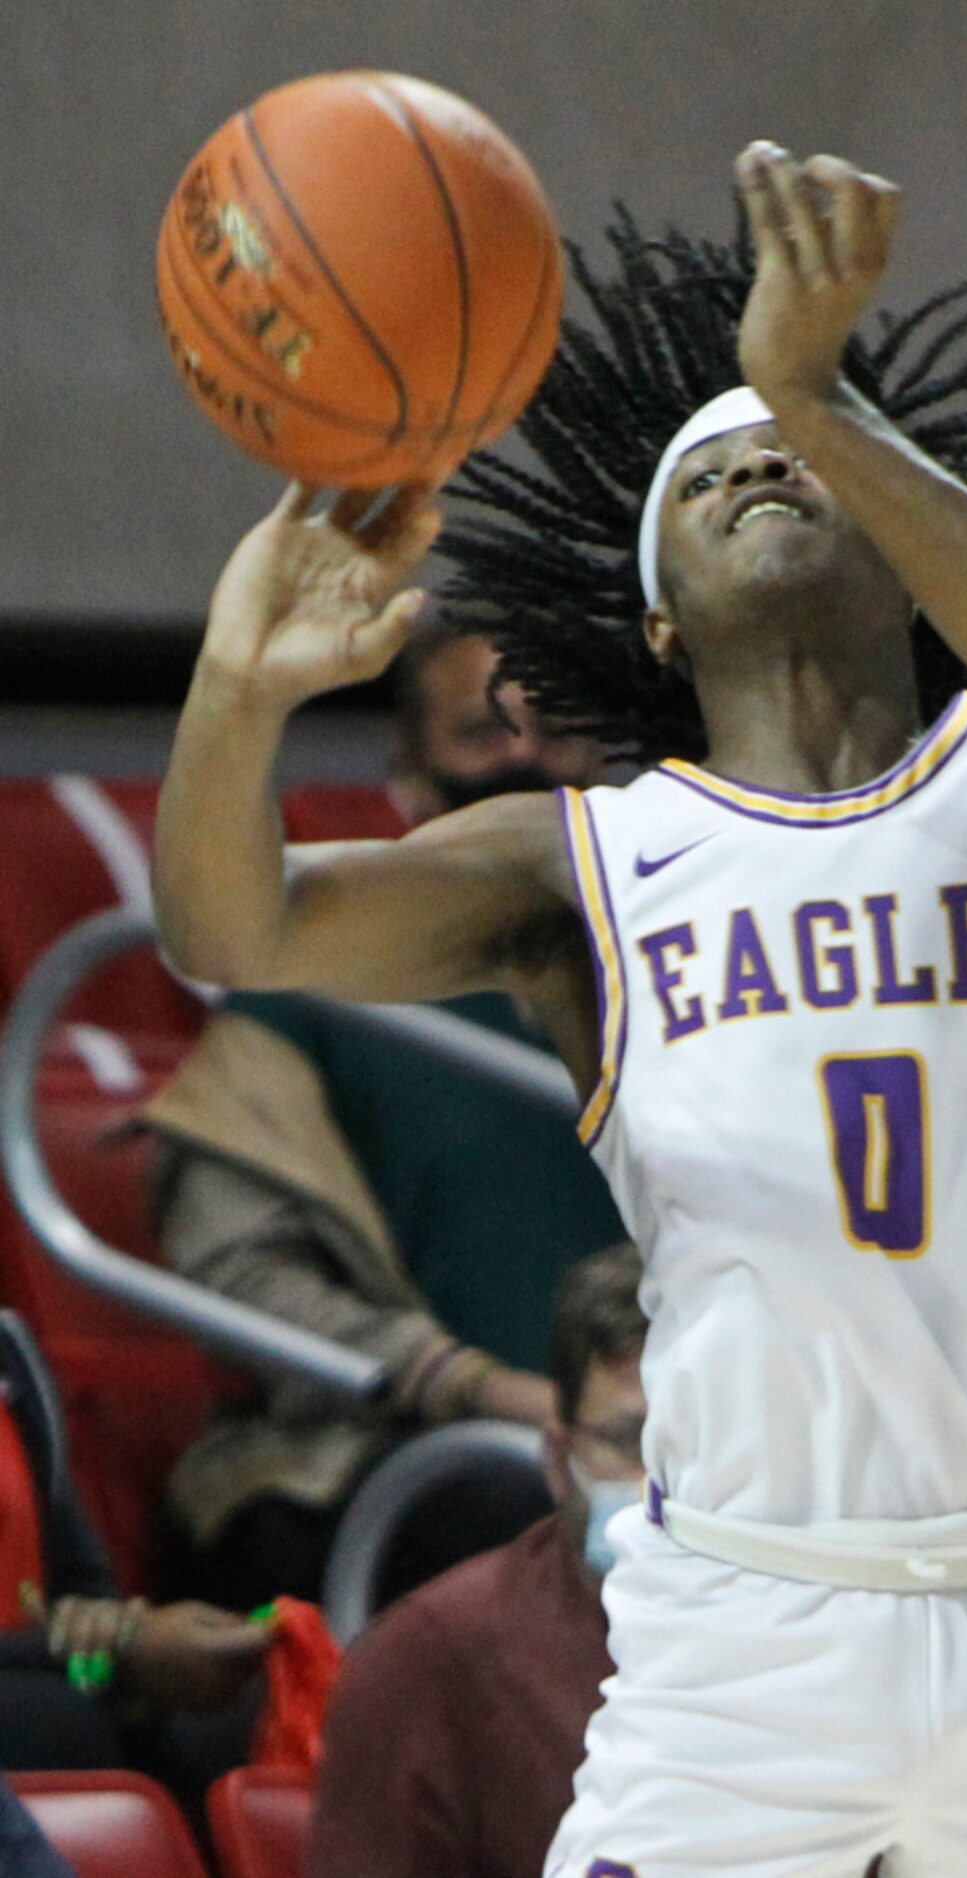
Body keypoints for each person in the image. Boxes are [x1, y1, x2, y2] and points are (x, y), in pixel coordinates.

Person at [152, 145, 967, 1877]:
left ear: (906, 539)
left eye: (794, 448)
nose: (759, 464)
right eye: (712, 466)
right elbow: (232, 924)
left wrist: (820, 384)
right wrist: (234, 688)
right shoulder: (588, 863)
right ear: (655, 610)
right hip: (745, 1629)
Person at [142, 619, 620, 1611]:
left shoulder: (688, 974)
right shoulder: (304, 989)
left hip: (680, 1445)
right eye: (482, 733)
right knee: (513, 1529)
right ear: (407, 775)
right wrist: (468, 1386)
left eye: (555, 727)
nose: (524, 757)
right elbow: (241, 1276)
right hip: (401, 1455)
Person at [307, 1245, 646, 1878]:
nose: (668, 1484)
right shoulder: (430, 1661)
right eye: (630, 1442)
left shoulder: (841, 1632)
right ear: (556, 1460)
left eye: (707, 1442)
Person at [0, 1312, 278, 1808]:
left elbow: (85, 1588)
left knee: (242, 1714)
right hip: (34, 1682)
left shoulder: (7, 1350)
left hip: (46, 1666)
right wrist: (122, 1652)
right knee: (60, 1724)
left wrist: (121, 1655)